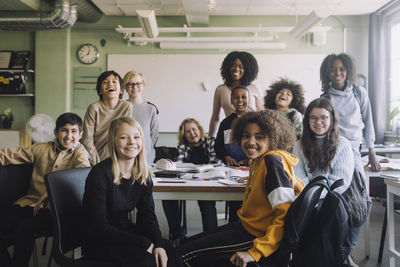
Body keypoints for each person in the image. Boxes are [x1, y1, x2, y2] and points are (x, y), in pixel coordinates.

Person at [180, 110, 304, 267]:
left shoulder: (272, 162)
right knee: (187, 243)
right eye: (246, 136)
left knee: (183, 255)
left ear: (273, 139)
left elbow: (284, 214)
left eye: (259, 137)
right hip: (244, 226)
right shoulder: (262, 159)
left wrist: (256, 252)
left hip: (256, 236)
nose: (251, 141)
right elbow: (296, 186)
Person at [83, 117, 182, 267]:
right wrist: (144, 243)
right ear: (113, 141)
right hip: (100, 240)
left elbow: (148, 217)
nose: (132, 142)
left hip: (125, 231)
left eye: (136, 137)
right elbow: (98, 226)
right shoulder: (100, 174)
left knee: (171, 253)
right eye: (124, 137)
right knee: (148, 260)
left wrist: (158, 243)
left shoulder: (143, 174)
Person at [0, 112, 90, 267]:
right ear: (55, 132)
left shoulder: (79, 153)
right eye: (64, 130)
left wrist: (49, 193)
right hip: (29, 203)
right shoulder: (41, 149)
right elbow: (10, 154)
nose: (69, 135)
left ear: (80, 134)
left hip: (54, 211)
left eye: (74, 131)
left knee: (24, 229)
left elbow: (81, 175)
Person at [320, 53, 380, 172]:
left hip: (355, 148)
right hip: (333, 148)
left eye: (342, 69)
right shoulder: (325, 98)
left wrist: (371, 151)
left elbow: (368, 121)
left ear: (348, 71)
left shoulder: (359, 93)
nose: (338, 73)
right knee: (337, 183)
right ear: (327, 73)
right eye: (333, 70)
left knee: (358, 181)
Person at [162, 118, 218, 245]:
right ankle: (177, 234)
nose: (192, 133)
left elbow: (215, 161)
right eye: (187, 131)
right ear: (184, 135)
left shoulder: (210, 142)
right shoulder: (183, 147)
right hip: (188, 181)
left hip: (207, 181)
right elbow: (179, 164)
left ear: (199, 129)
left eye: (194, 129)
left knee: (207, 202)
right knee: (168, 197)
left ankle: (210, 237)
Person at [292, 98, 354, 194]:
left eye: (324, 117)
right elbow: (298, 180)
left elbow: (339, 183)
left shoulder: (343, 145)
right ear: (307, 120)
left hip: (330, 200)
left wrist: (314, 197)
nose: (318, 122)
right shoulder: (299, 145)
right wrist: (308, 199)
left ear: (332, 119)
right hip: (303, 200)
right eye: (313, 118)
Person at [82, 70, 132, 166]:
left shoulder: (126, 106)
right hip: (95, 156)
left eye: (114, 81)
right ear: (100, 91)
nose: (110, 84)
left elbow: (125, 134)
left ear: (121, 90)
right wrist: (96, 163)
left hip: (118, 157)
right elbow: (87, 139)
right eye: (105, 82)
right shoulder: (94, 108)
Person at [208, 51, 264, 137]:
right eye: (233, 65)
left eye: (241, 67)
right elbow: (215, 118)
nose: (236, 69)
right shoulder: (220, 89)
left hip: (252, 132)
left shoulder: (254, 88)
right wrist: (210, 138)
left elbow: (263, 115)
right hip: (230, 131)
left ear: (248, 69)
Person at [214, 85, 249, 223]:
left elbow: (263, 146)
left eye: (243, 96)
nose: (240, 100)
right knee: (235, 206)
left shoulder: (257, 121)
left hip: (251, 168)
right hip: (232, 169)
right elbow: (218, 146)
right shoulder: (225, 123)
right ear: (232, 100)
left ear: (249, 99)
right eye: (236, 97)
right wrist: (226, 157)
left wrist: (249, 159)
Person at [123, 71, 160, 164]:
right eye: (130, 84)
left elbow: (154, 135)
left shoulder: (151, 109)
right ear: (125, 87)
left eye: (138, 83)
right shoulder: (121, 107)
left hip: (146, 158)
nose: (134, 87)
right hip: (125, 157)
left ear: (143, 85)